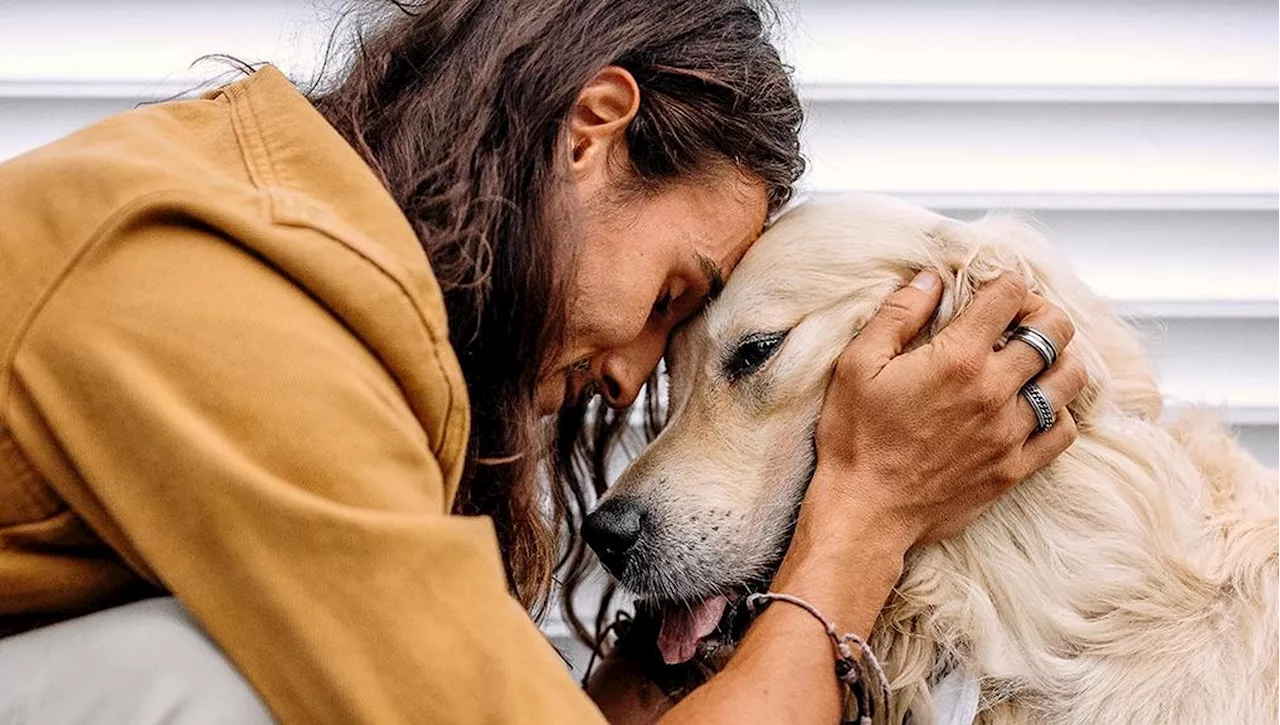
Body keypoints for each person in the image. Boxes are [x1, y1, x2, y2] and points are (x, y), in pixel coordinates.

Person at [0, 0, 1085, 723]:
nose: (631, 380)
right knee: (201, 678)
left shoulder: (317, 277)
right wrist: (865, 518)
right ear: (590, 133)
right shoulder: (229, 291)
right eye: (670, 297)